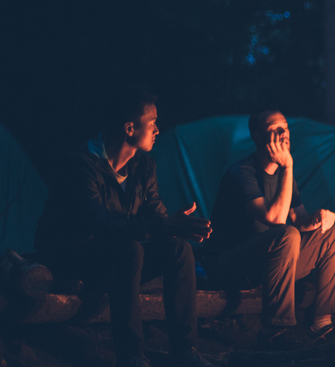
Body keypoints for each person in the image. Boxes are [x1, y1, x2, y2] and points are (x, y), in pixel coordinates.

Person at [33, 88, 215, 367]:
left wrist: (173, 226)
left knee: (178, 249)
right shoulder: (82, 166)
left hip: (115, 259)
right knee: (129, 250)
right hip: (73, 260)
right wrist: (162, 225)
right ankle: (131, 356)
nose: (157, 129)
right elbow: (101, 224)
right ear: (130, 129)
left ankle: (185, 350)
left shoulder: (143, 166)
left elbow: (154, 215)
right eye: (152, 122)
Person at [206, 110, 335, 345]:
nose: (284, 134)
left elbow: (299, 218)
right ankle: (275, 328)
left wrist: (318, 217)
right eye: (275, 129)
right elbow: (275, 218)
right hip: (232, 266)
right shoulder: (242, 173)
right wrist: (288, 166)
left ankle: (325, 322)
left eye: (285, 127)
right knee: (287, 234)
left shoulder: (285, 176)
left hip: (271, 263)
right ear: (256, 136)